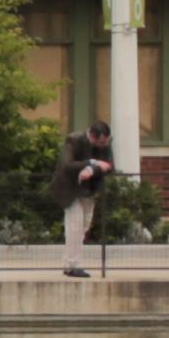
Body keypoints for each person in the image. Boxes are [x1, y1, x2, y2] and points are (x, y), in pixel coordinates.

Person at [58, 118, 116, 276]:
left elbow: (110, 167)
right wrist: (92, 162)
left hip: (90, 190)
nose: (104, 145)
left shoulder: (106, 143)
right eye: (101, 142)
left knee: (84, 227)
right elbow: (66, 164)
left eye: (106, 142)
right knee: (74, 226)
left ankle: (69, 260)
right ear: (92, 136)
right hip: (71, 189)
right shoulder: (74, 140)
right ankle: (72, 265)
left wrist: (91, 170)